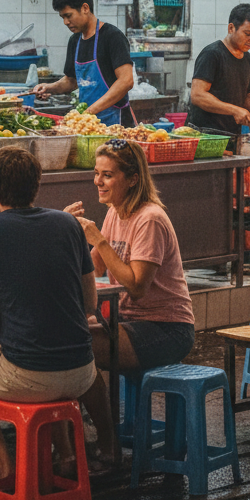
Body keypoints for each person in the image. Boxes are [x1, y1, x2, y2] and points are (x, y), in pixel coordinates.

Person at [0, 148, 116, 481]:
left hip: (27, 376)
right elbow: (89, 304)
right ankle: (67, 455)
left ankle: (7, 469)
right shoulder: (69, 224)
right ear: (37, 185)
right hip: (82, 371)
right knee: (45, 348)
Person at [67, 139, 195, 374]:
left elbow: (137, 287)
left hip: (167, 329)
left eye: (107, 175)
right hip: (128, 319)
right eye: (96, 174)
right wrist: (64, 232)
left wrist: (100, 241)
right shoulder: (115, 212)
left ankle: (102, 412)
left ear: (133, 179)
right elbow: (92, 268)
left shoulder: (150, 219)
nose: (98, 181)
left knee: (74, 345)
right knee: (63, 332)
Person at [32, 0, 134, 127]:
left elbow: (126, 81)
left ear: (85, 8)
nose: (66, 22)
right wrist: (49, 87)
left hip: (116, 122)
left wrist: (90, 112)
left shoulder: (112, 36)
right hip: (88, 123)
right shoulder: (75, 41)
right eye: (63, 18)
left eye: (69, 15)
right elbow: (71, 81)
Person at [187, 3, 250, 142]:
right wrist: (235, 110)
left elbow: (243, 96)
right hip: (205, 136)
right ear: (231, 28)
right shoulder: (212, 54)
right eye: (248, 34)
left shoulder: (248, 59)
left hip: (231, 137)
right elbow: (197, 95)